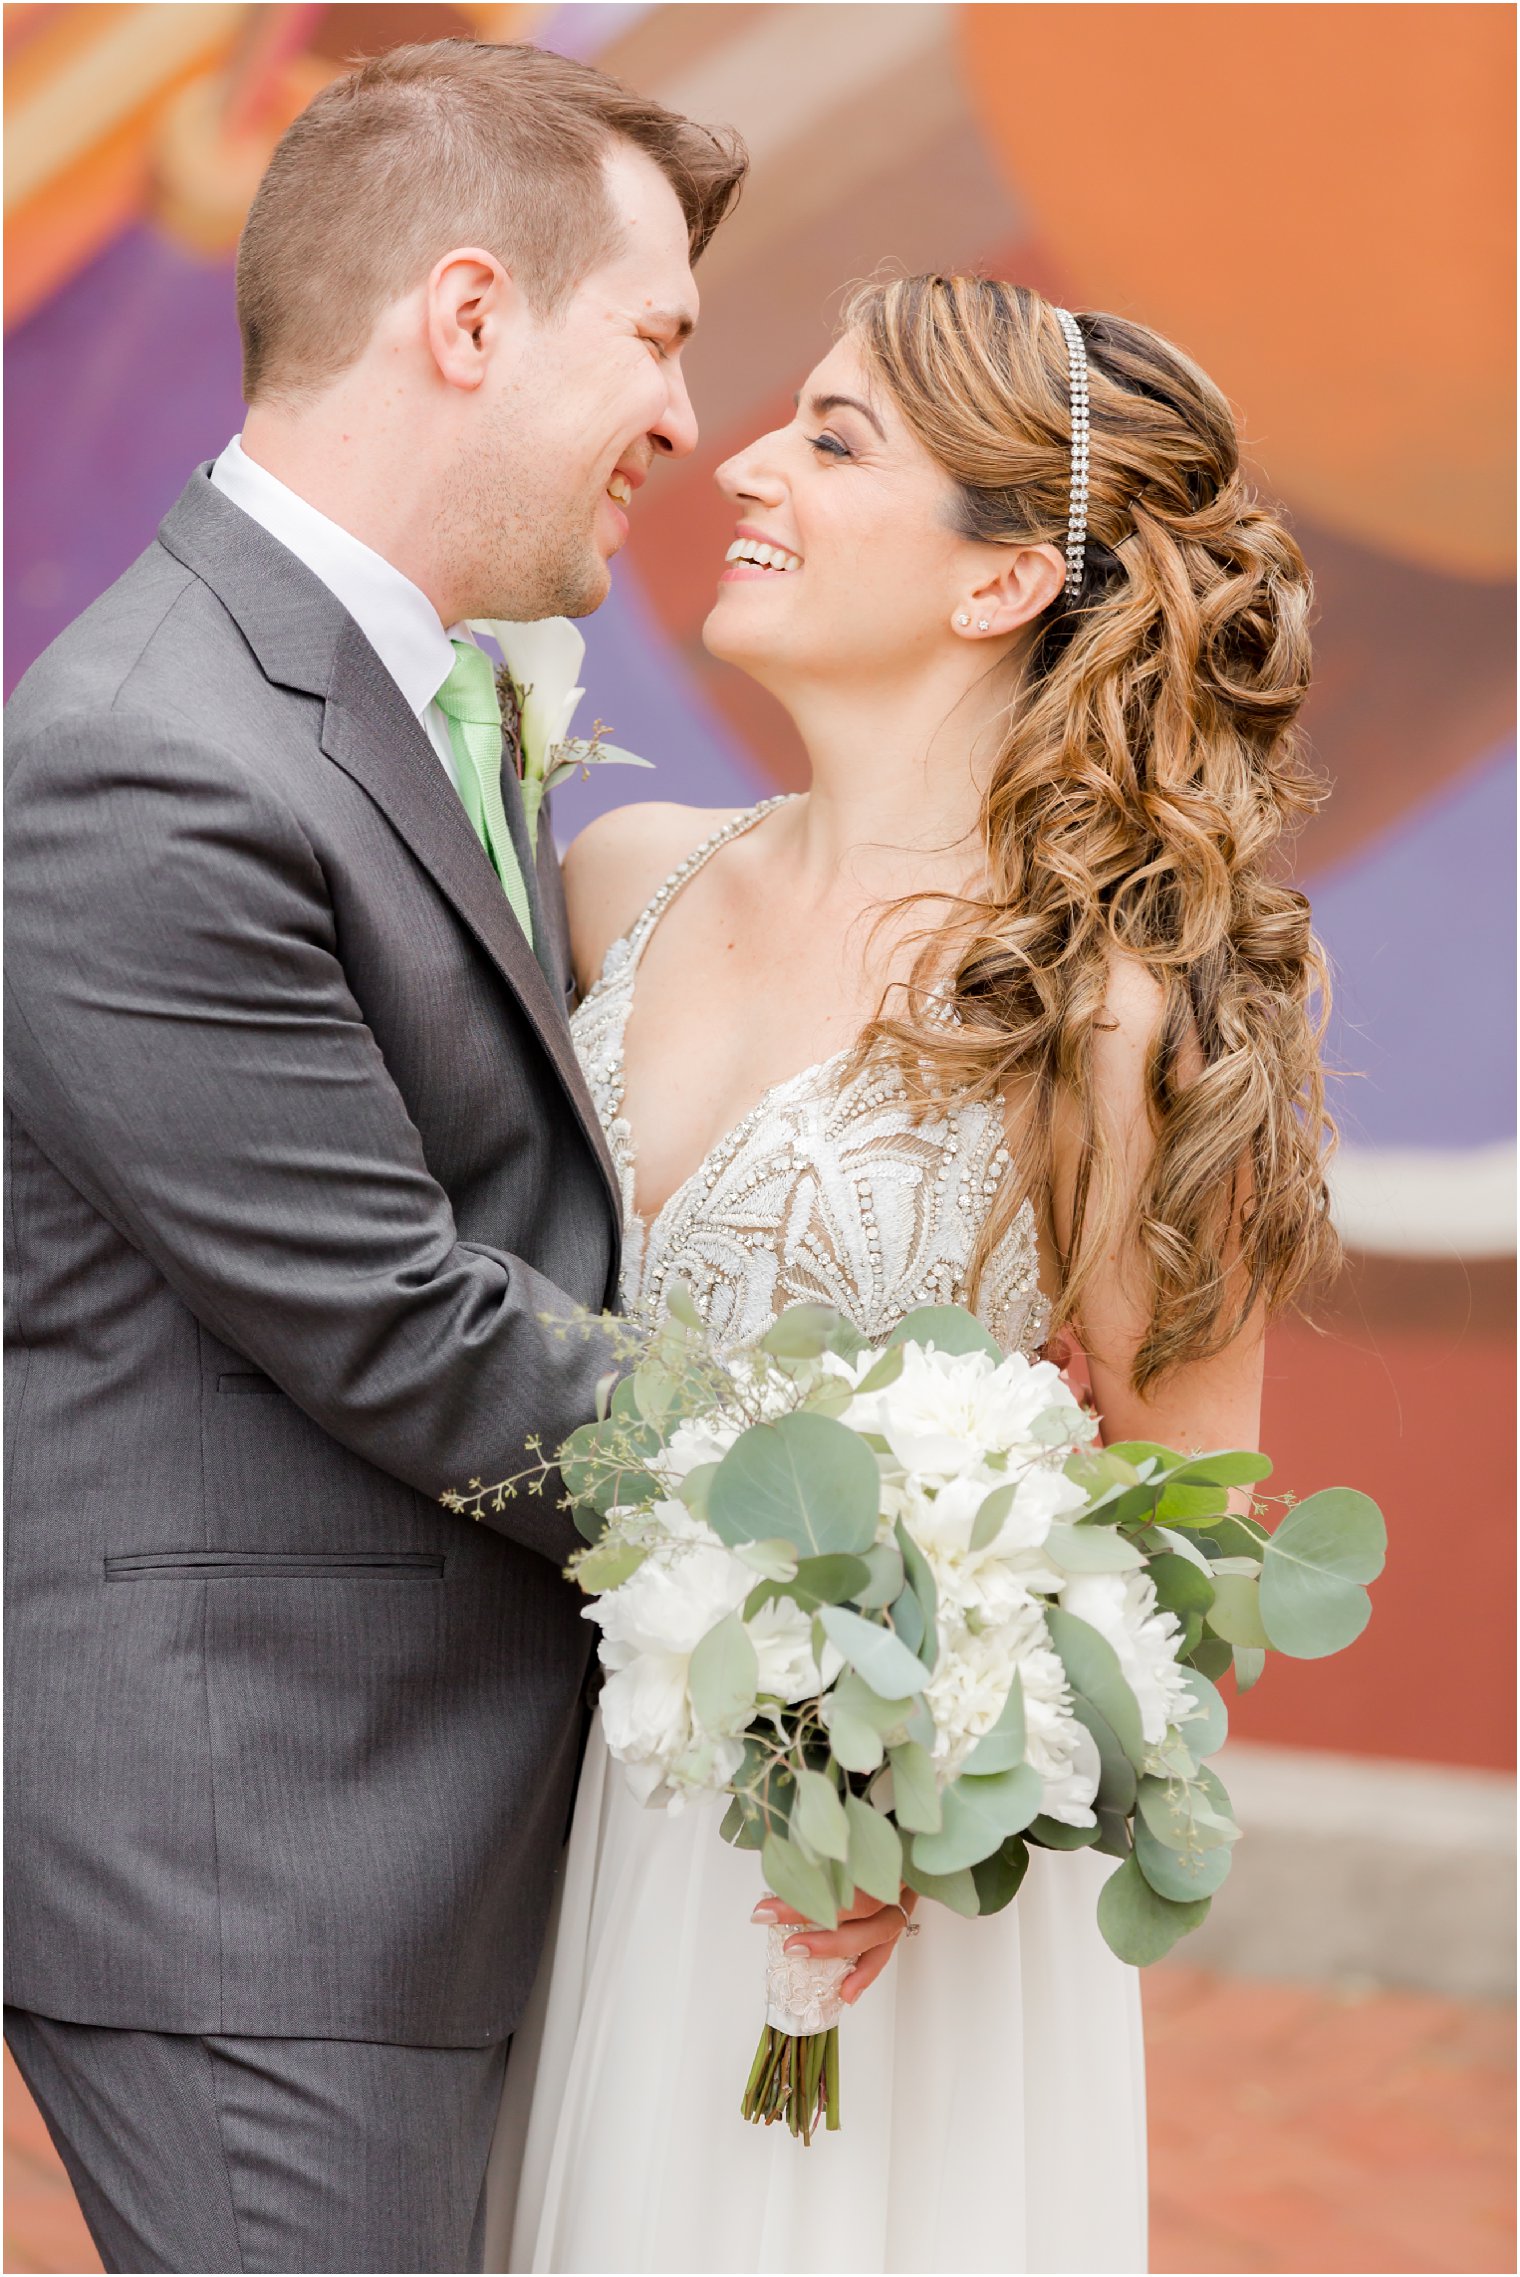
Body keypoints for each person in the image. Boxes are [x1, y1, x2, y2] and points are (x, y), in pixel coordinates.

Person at [493, 273, 1338, 2273]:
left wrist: (935, 1782)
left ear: (994, 584)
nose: (748, 464)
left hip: (862, 1916)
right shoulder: (623, 875)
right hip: (545, 1819)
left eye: (835, 437)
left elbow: (1193, 1543)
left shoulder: (1121, 1024)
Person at [3, 40, 745, 2275]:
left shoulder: (379, 681)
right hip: (265, 1866)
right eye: (658, 335)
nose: (683, 423)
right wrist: (850, 1497)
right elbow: (398, 1317)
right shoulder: (148, 755)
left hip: (418, 1828)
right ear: (462, 315)